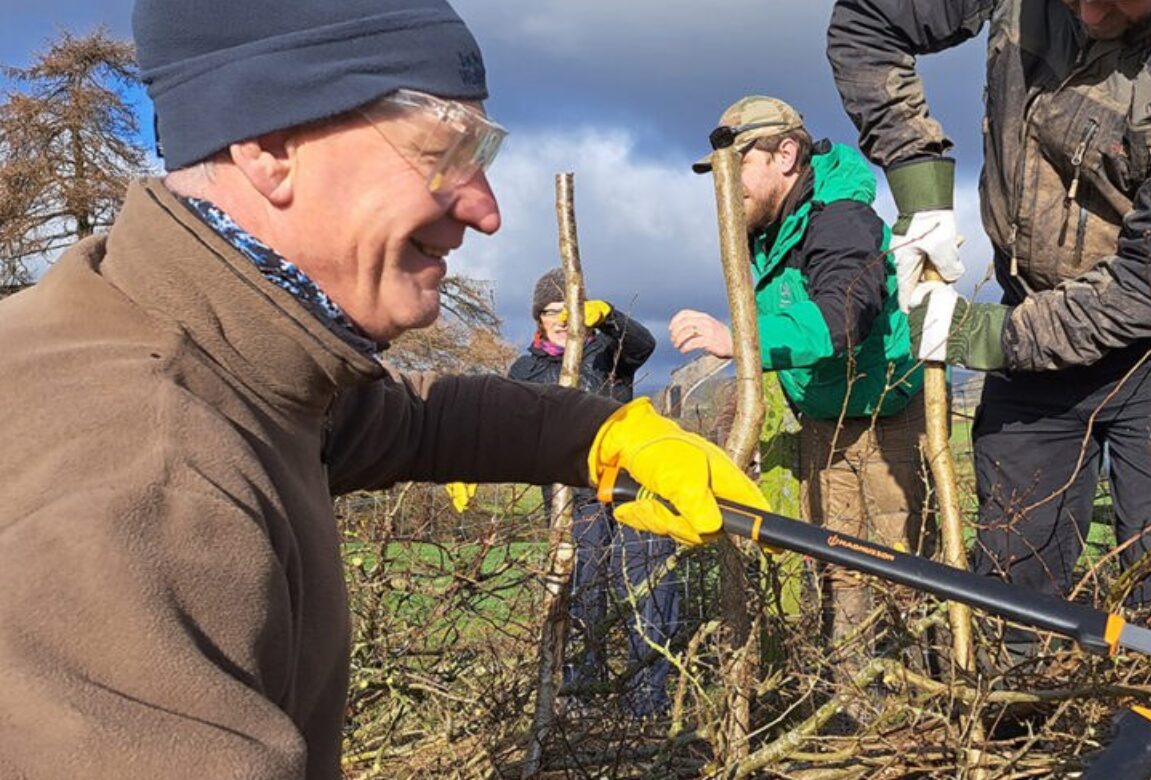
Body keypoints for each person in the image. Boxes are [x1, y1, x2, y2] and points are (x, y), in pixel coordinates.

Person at [0, 2, 763, 777]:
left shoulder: (211, 352)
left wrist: (607, 435)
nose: (486, 211)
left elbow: (409, 419)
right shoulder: (146, 485)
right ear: (270, 145)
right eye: (444, 149)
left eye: (483, 153)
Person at [827, 0, 1151, 624]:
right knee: (1012, 582)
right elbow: (866, 21)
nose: (1086, 12)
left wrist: (986, 337)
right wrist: (920, 189)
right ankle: (1019, 711)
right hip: (1031, 329)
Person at [668, 96, 929, 684]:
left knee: (905, 571)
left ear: (785, 154)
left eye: (737, 167)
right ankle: (855, 706)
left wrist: (740, 339)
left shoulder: (839, 218)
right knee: (837, 569)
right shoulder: (764, 230)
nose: (725, 186)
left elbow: (840, 318)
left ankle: (923, 701)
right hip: (822, 424)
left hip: (884, 418)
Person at [509, 271, 676, 718]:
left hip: (632, 488)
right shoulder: (524, 371)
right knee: (583, 591)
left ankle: (648, 696)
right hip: (574, 497)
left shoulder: (609, 349)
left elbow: (645, 345)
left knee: (649, 586)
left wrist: (610, 317)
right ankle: (585, 692)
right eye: (551, 310)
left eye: (571, 308)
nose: (562, 318)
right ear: (538, 319)